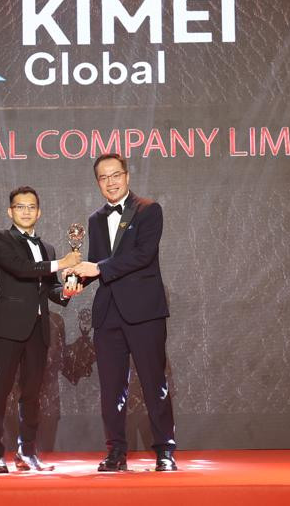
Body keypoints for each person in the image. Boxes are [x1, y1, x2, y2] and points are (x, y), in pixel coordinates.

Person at [67, 153, 177, 472]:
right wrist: (75, 280)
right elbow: (96, 263)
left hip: (144, 312)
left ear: (127, 176)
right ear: (97, 183)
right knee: (112, 388)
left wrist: (98, 268)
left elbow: (143, 255)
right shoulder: (94, 219)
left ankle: (164, 451)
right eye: (103, 177)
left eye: (116, 175)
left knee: (154, 383)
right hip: (108, 314)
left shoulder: (148, 210)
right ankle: (116, 451)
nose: (111, 182)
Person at [0, 186, 82, 474]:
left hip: (39, 329)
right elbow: (22, 268)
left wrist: (68, 290)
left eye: (31, 207)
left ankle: (26, 452)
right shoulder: (0, 240)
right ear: (10, 211)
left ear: (39, 212)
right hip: (8, 327)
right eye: (20, 206)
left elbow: (51, 288)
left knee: (32, 393)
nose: (26, 211)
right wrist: (62, 263)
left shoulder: (47, 248)